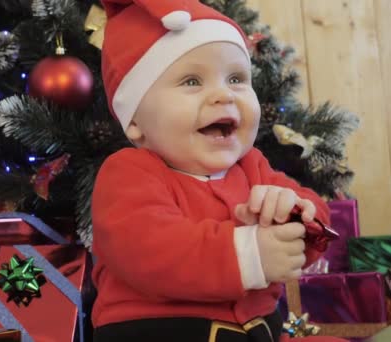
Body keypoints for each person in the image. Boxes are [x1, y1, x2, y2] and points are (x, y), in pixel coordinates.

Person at [91, 0, 345, 341]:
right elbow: (151, 251)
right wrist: (249, 255)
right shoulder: (128, 173)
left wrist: (294, 214)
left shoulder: (251, 165)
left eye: (237, 78)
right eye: (192, 81)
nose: (223, 95)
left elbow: (317, 218)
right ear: (135, 121)